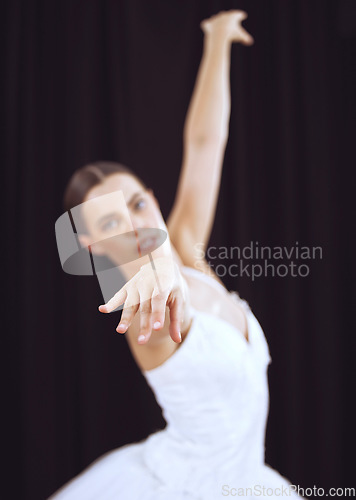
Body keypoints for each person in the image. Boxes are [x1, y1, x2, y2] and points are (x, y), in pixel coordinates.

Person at [51, 11, 303, 500]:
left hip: (251, 483)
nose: (134, 223)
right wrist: (163, 269)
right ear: (91, 244)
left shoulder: (185, 247)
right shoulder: (143, 310)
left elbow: (207, 143)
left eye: (137, 203)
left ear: (152, 198)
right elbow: (169, 295)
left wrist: (217, 41)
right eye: (110, 222)